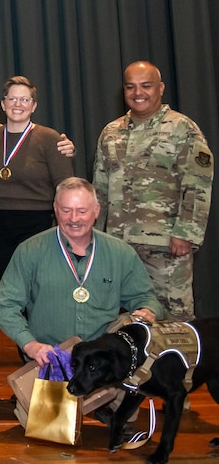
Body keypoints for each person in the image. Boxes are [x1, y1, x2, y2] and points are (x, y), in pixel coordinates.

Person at [0, 178, 162, 426]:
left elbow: (146, 297)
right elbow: (5, 305)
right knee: (46, 428)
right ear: (55, 208)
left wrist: (146, 311)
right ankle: (52, 394)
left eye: (82, 211)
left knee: (124, 418)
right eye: (66, 210)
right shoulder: (30, 250)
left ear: (96, 211)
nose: (74, 218)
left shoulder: (120, 252)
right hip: (51, 359)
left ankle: (110, 398)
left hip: (104, 363)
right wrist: (30, 345)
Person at [93, 61, 213, 320]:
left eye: (146, 86)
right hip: (118, 244)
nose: (138, 93)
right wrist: (95, 238)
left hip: (166, 244)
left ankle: (181, 362)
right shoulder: (111, 133)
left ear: (160, 88)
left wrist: (185, 233)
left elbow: (198, 183)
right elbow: (99, 189)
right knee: (124, 319)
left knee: (173, 316)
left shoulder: (183, 129)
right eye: (130, 87)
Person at [0, 76, 75, 288]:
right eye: (12, 99)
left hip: (36, 224)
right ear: (3, 104)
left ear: (34, 106)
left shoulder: (50, 138)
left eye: (24, 100)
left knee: (35, 287)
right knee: (6, 287)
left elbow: (65, 187)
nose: (18, 105)